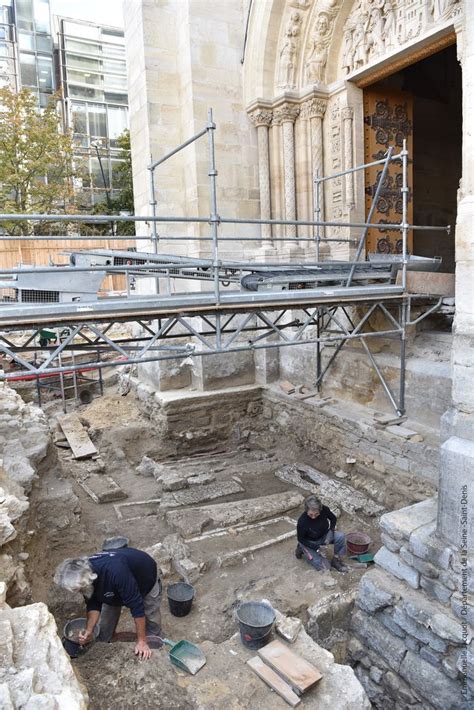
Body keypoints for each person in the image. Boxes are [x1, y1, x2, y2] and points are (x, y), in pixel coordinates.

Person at [54, 547, 162, 660]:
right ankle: (117, 637)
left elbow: (137, 606)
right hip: (114, 587)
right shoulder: (85, 576)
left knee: (151, 615)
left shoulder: (116, 571)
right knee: (105, 634)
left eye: (78, 589)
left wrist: (142, 641)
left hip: (145, 577)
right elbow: (93, 603)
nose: (78, 592)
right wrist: (89, 631)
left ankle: (153, 640)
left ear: (86, 580)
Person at [295, 496, 348, 572]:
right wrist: (317, 548)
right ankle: (301, 548)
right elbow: (300, 539)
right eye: (311, 514)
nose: (313, 517)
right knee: (326, 568)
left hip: (323, 536)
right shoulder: (302, 521)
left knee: (340, 536)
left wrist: (331, 531)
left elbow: (333, 518)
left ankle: (336, 560)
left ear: (320, 509)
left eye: (316, 514)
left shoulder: (324, 509)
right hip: (309, 542)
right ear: (306, 511)